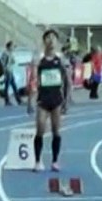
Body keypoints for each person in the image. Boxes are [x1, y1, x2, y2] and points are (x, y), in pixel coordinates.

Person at [28, 29, 71, 172]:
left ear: (57, 42)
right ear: (44, 41)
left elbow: (68, 81)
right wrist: (30, 101)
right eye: (48, 38)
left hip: (57, 100)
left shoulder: (61, 60)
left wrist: (67, 100)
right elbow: (33, 81)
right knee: (40, 129)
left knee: (56, 131)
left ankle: (55, 161)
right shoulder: (39, 60)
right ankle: (37, 161)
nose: (51, 41)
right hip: (43, 100)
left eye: (53, 38)